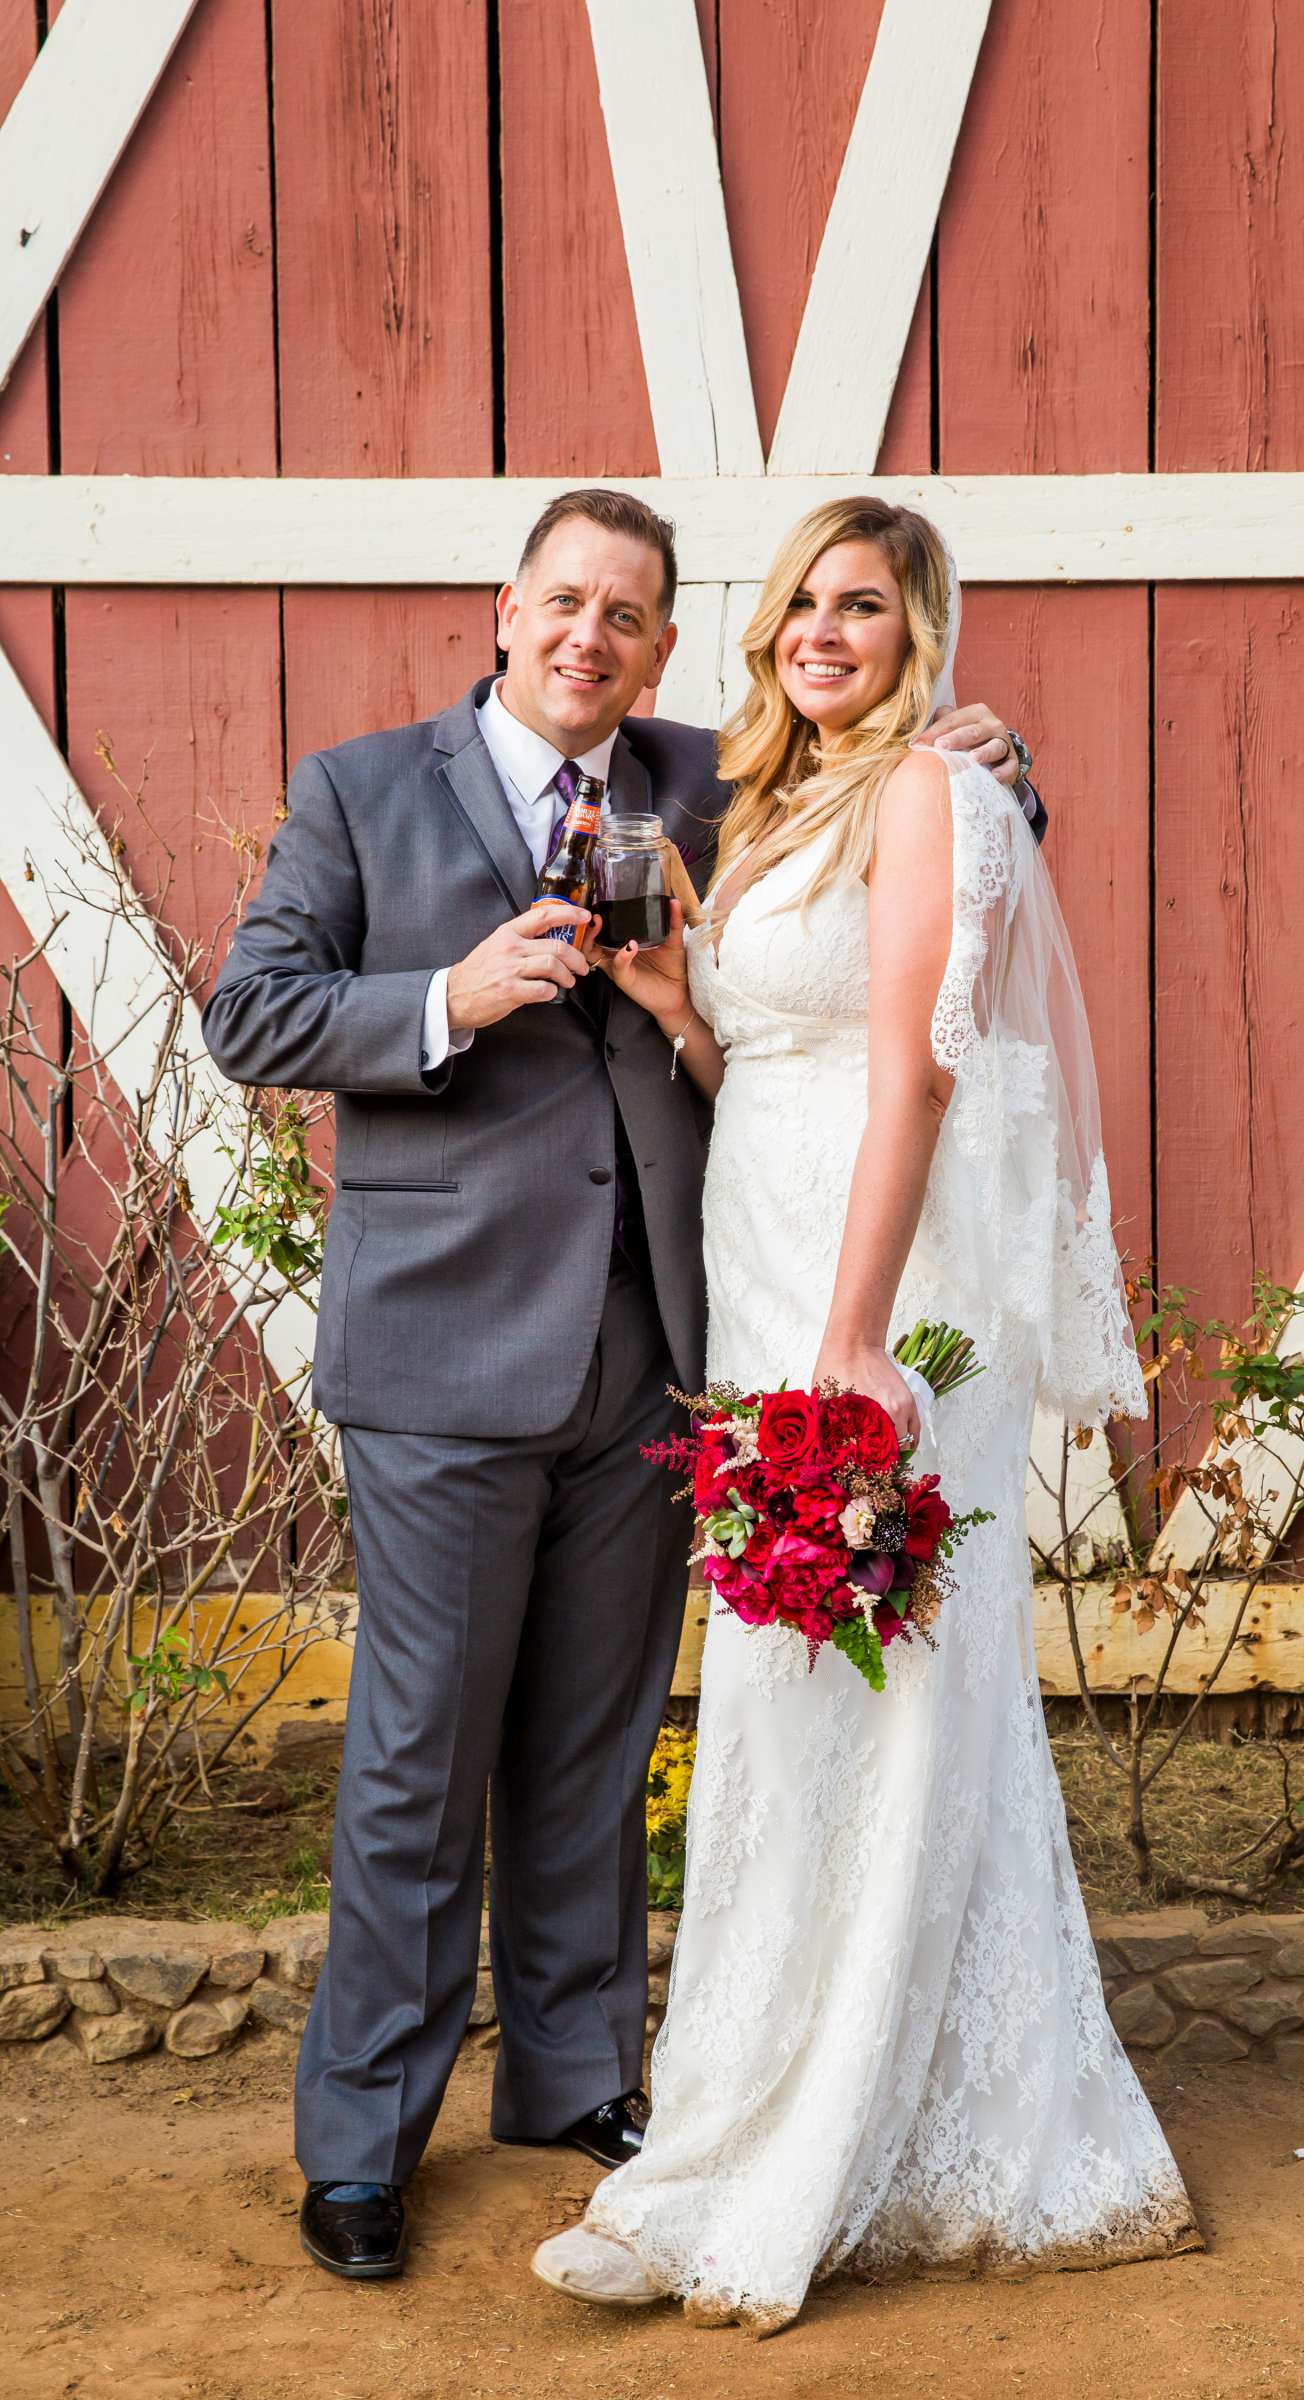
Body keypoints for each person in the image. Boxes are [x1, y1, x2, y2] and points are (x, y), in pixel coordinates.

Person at [201, 486, 1037, 2281]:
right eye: (566, 600)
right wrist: (447, 995)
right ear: (507, 609)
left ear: (664, 642)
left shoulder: (709, 773)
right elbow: (251, 1013)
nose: (594, 635)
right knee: (419, 1760)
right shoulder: (362, 787)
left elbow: (916, 818)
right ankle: (363, 2143)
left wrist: (995, 744)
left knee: (595, 1744)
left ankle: (576, 2074)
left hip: (660, 1351)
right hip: (441, 1353)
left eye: (631, 614)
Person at [532, 498, 1202, 2332]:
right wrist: (679, 1002)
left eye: (866, 605)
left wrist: (851, 1333)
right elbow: (776, 1051)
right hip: (764, 1278)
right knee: (781, 1696)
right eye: (804, 602)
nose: (824, 631)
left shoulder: (930, 792)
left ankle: (816, 2150)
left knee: (885, 1700)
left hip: (869, 1298)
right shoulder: (782, 801)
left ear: (924, 629)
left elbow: (915, 1061)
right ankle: (765, 2102)